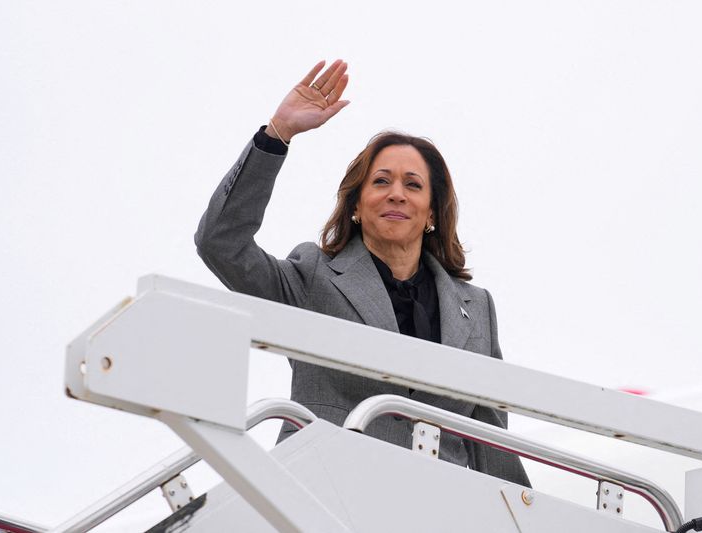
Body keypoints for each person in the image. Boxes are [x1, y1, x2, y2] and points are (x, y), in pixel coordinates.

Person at [195, 60, 530, 486]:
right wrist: (277, 134)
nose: (396, 194)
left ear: (431, 211)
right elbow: (221, 243)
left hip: (437, 506)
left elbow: (490, 440)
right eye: (381, 181)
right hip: (324, 496)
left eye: (413, 185)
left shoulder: (476, 307)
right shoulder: (313, 275)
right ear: (356, 204)